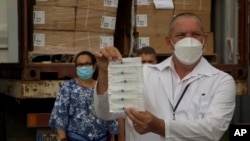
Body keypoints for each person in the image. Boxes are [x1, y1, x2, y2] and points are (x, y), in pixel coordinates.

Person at [93, 12, 236, 141]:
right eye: (181, 35)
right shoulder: (143, 73)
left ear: (204, 40)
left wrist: (160, 126)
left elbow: (213, 130)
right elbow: (105, 113)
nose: (189, 40)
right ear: (169, 42)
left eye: (195, 34)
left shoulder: (221, 81)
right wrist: (105, 73)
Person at [49, 51, 120, 141]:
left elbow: (110, 117)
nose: (83, 67)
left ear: (94, 67)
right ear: (76, 68)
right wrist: (63, 139)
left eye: (87, 64)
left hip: (101, 137)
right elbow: (60, 116)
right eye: (80, 65)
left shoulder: (101, 87)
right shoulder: (68, 86)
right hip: (76, 138)